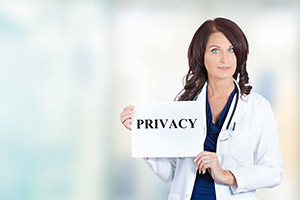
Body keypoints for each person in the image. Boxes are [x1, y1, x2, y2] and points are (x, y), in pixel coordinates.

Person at [119, 17, 284, 200]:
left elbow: (274, 171)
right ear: (201, 56)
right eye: (215, 50)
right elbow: (169, 173)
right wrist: (142, 132)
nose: (225, 58)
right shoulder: (185, 105)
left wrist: (226, 174)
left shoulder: (257, 108)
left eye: (231, 50)